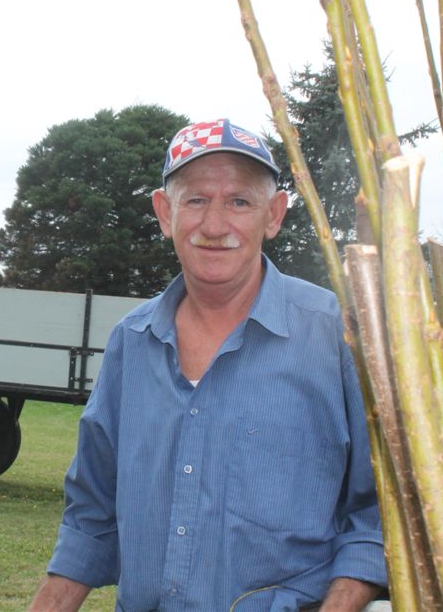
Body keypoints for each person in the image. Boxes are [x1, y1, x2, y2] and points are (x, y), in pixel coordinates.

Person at [29, 119, 387, 612]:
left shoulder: (337, 335)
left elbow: (379, 514)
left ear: (274, 214)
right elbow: (92, 515)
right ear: (164, 212)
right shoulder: (131, 342)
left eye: (239, 201)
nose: (215, 226)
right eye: (196, 200)